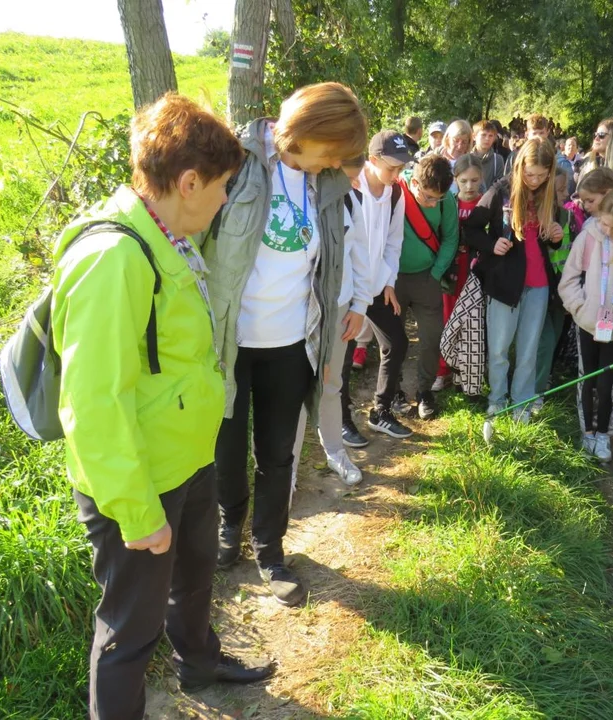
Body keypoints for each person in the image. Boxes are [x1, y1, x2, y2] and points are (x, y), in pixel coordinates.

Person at [51, 93, 271, 720]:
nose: (227, 201)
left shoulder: (167, 234)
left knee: (196, 579)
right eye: (224, 187)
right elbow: (92, 405)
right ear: (189, 181)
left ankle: (199, 665)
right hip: (136, 480)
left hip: (185, 457)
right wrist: (138, 511)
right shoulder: (113, 258)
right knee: (129, 630)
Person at [205, 82, 368, 606]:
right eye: (329, 152)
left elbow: (332, 264)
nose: (334, 163)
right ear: (303, 134)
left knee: (277, 453)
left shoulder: (328, 186)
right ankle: (230, 529)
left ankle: (269, 549)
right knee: (225, 446)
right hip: (230, 342)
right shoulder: (236, 163)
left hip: (292, 343)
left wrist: (344, 321)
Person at [465, 138, 565, 422]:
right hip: (505, 283)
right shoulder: (501, 191)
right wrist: (491, 244)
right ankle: (497, 399)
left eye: (541, 175)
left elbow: (547, 241)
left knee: (529, 348)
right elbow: (471, 230)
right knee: (499, 347)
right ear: (520, 167)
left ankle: (521, 401)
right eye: (529, 174)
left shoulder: (547, 196)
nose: (534, 180)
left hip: (539, 284)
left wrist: (555, 238)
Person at [292, 154, 372, 488]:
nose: (352, 183)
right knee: (293, 392)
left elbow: (361, 256)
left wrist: (360, 305)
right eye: (347, 175)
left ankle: (335, 451)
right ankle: (287, 469)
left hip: (340, 311)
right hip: (298, 312)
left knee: (331, 384)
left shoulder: (352, 201)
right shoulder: (301, 196)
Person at [558, 188, 613, 461]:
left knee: (608, 383)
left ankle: (603, 435)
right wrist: (579, 307)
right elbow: (569, 278)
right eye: (603, 222)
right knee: (587, 380)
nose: (606, 229)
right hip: (588, 323)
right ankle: (587, 432)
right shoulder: (588, 238)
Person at [354, 130, 413, 440]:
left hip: (377, 285)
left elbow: (394, 241)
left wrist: (389, 281)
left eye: (401, 168)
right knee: (346, 347)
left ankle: (381, 411)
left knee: (397, 343)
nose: (397, 174)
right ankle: (340, 420)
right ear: (372, 160)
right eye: (391, 168)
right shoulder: (351, 187)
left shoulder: (397, 193)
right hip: (349, 287)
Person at [392, 153, 459, 419]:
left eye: (438, 199)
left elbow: (451, 238)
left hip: (426, 277)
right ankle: (393, 390)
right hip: (393, 279)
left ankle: (424, 391)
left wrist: (435, 274)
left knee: (432, 339)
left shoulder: (446, 202)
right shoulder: (395, 190)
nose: (433, 204)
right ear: (416, 183)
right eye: (429, 197)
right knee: (393, 340)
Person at [434, 153, 483, 392]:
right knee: (447, 318)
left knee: (470, 322)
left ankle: (464, 371)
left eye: (474, 180)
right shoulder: (448, 202)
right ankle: (442, 369)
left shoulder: (486, 203)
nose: (469, 186)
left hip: (475, 273)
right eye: (464, 180)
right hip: (451, 270)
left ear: (481, 178)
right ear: (456, 179)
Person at [471, 120, 505, 191]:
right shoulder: (467, 158)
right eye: (483, 135)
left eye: (490, 136)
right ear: (474, 136)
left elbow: (498, 186)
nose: (487, 139)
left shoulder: (497, 160)